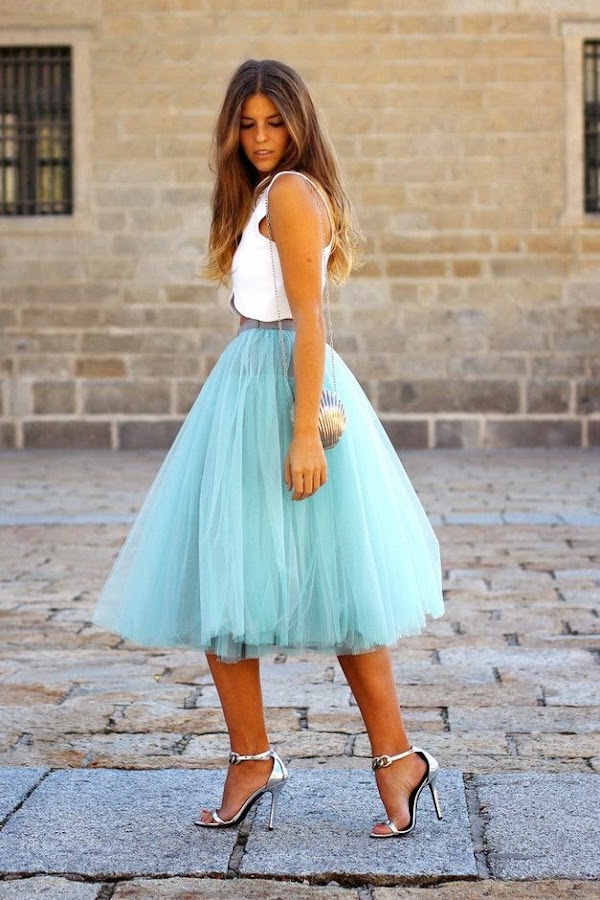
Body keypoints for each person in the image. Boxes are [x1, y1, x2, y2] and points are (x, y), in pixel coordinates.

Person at [92, 59, 444, 839]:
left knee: (337, 588)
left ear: (299, 124)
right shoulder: (260, 194)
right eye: (247, 124)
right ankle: (261, 759)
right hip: (247, 388)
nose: (260, 137)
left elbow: (310, 317)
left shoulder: (289, 192)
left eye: (274, 122)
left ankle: (393, 758)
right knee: (226, 580)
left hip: (284, 394)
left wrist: (302, 432)